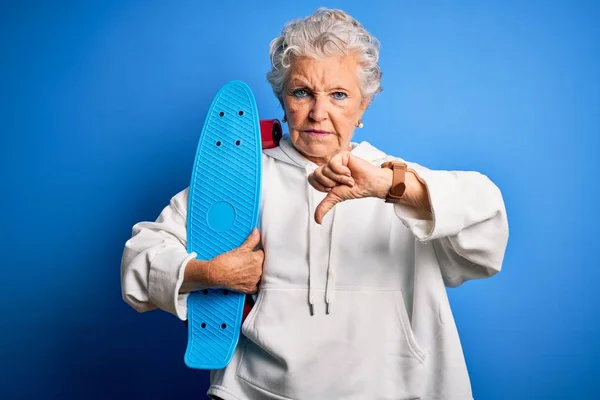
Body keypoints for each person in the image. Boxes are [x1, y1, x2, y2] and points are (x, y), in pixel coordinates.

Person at [121, 7, 509, 400]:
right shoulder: (240, 177)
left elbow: (488, 222)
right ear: (283, 99)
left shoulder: (395, 178)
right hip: (255, 390)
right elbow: (137, 262)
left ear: (363, 107)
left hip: (394, 388)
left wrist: (390, 187)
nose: (318, 113)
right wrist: (207, 272)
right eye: (302, 92)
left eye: (339, 95)